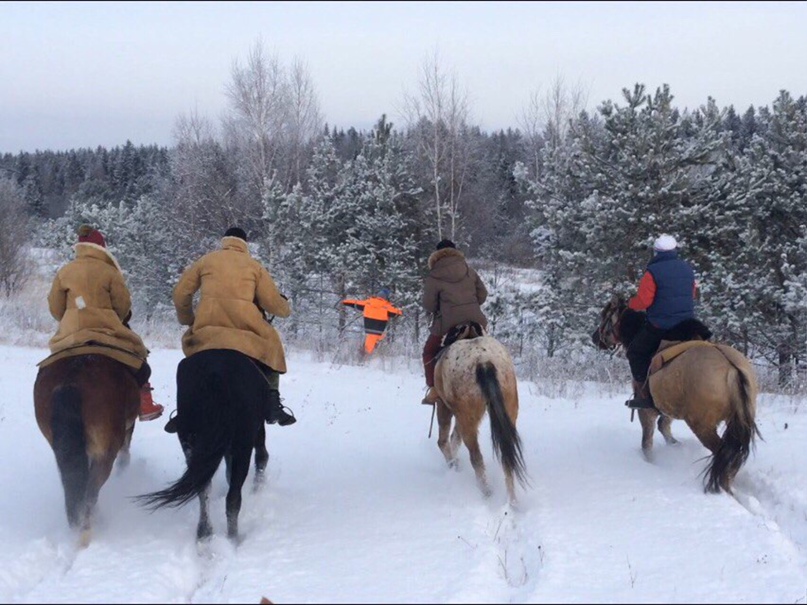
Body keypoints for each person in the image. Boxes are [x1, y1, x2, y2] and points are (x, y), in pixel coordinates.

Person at [165, 227, 295, 433]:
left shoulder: (206, 261)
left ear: (224, 241)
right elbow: (272, 304)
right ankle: (272, 403)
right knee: (273, 345)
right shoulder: (254, 266)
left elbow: (180, 294)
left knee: (190, 367)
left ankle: (185, 410)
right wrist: (285, 308)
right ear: (245, 244)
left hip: (208, 334)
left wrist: (188, 319)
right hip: (245, 336)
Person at [46, 224, 164, 421]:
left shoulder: (65, 272)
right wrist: (113, 318)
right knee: (141, 360)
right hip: (107, 333)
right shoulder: (110, 272)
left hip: (71, 334)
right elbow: (123, 306)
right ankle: (145, 404)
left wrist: (71, 319)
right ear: (102, 248)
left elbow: (56, 309)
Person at [625, 233, 698, 409]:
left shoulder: (652, 272)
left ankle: (644, 395)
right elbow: (693, 294)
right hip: (687, 325)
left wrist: (630, 304)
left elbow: (644, 302)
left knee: (635, 352)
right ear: (675, 250)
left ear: (656, 252)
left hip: (661, 325)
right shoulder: (688, 269)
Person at [421, 239, 489, 405]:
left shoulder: (434, 276)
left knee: (428, 352)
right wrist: (470, 304)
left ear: (436, 255)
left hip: (447, 324)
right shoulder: (469, 270)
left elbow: (429, 305)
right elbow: (483, 294)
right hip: (476, 320)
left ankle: (434, 389)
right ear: (456, 252)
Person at [342, 288, 403, 354]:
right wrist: (400, 311)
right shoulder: (386, 306)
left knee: (372, 337)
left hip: (368, 325)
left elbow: (355, 303)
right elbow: (396, 313)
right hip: (379, 326)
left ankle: (367, 350)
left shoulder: (368, 302)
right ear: (386, 297)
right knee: (374, 339)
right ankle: (366, 354)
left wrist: (345, 301)